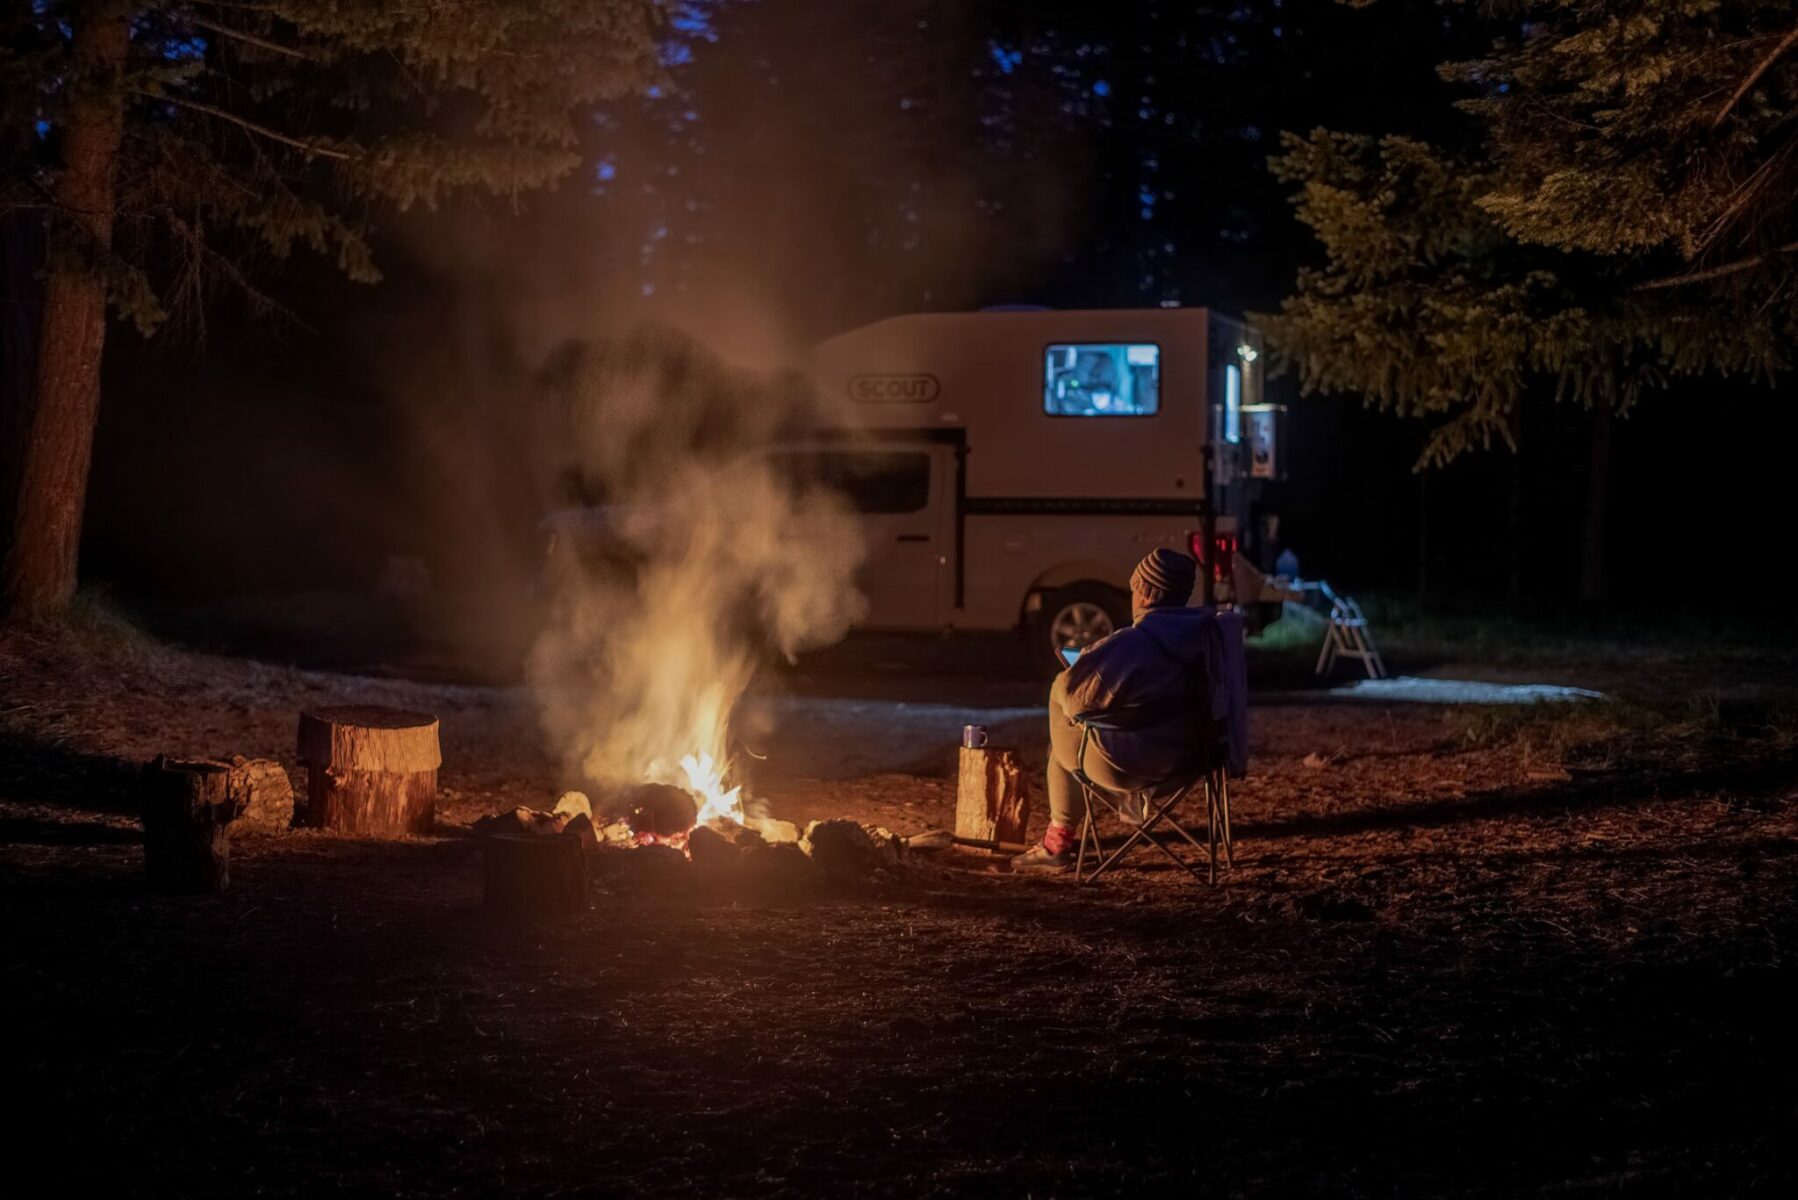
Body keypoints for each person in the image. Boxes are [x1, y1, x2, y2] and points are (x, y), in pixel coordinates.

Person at [1014, 547, 1222, 873]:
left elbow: (1074, 699)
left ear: (1146, 591)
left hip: (1122, 766)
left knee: (1060, 706)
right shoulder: (1208, 636)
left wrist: (1084, 665)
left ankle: (1057, 845)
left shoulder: (1132, 643)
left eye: (1134, 588)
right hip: (1187, 762)